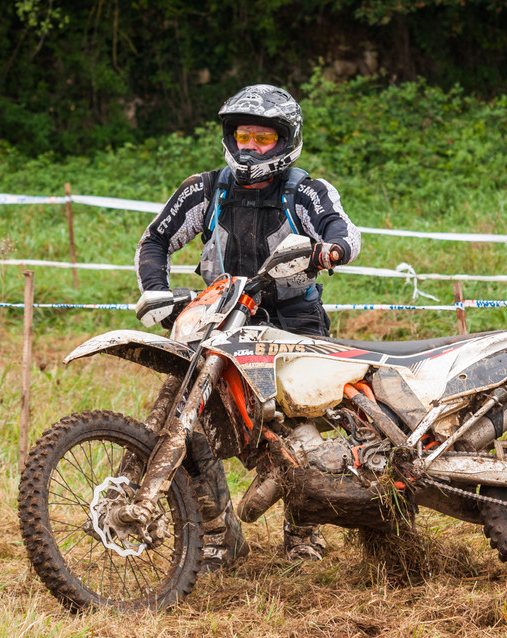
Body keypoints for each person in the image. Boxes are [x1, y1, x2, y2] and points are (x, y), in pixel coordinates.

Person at [133, 84, 361, 570]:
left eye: (263, 138)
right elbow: (154, 240)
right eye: (243, 136)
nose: (250, 148)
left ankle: (304, 533)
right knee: (185, 416)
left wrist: (331, 250)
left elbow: (341, 228)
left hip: (291, 318)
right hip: (221, 317)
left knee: (298, 426)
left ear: (285, 140)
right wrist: (156, 291)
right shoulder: (205, 189)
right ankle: (218, 535)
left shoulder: (304, 190)